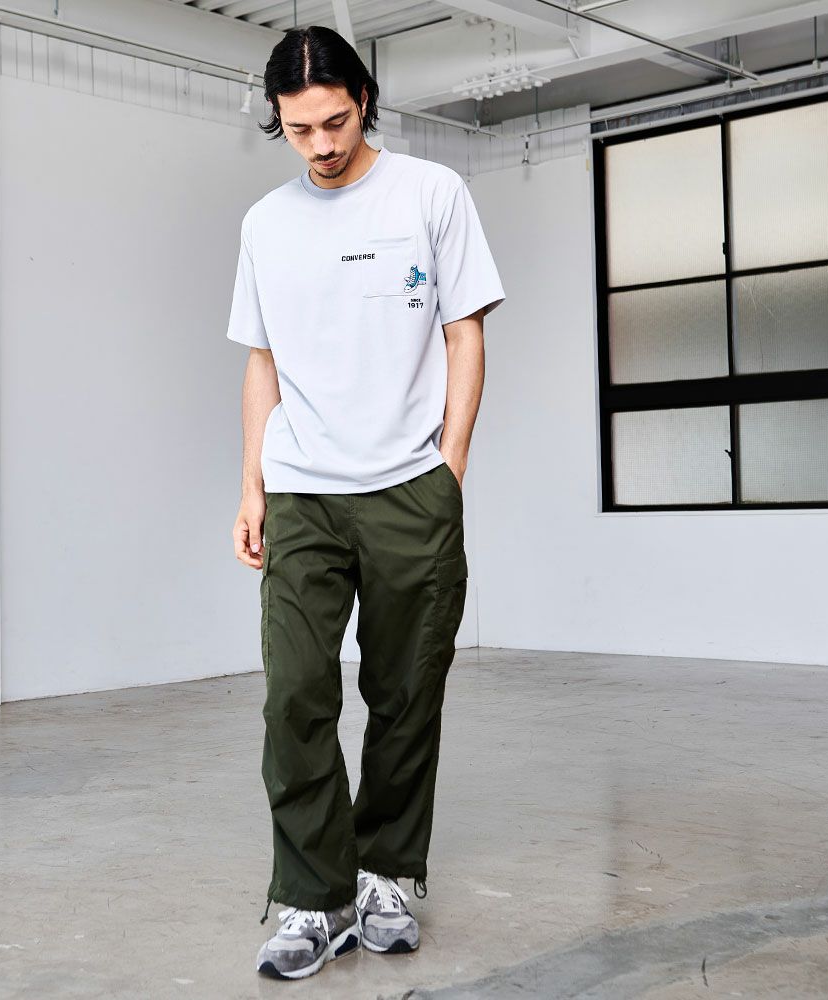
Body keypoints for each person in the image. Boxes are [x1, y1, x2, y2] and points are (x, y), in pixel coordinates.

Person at [226, 24, 505, 981]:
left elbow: (465, 334)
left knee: (406, 691)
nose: (321, 145)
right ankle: (314, 896)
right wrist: (251, 484)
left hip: (409, 489)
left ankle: (384, 872)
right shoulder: (266, 224)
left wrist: (448, 470)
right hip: (302, 491)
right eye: (299, 129)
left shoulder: (432, 193)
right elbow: (262, 361)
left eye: (335, 122)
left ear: (365, 104)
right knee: (295, 695)